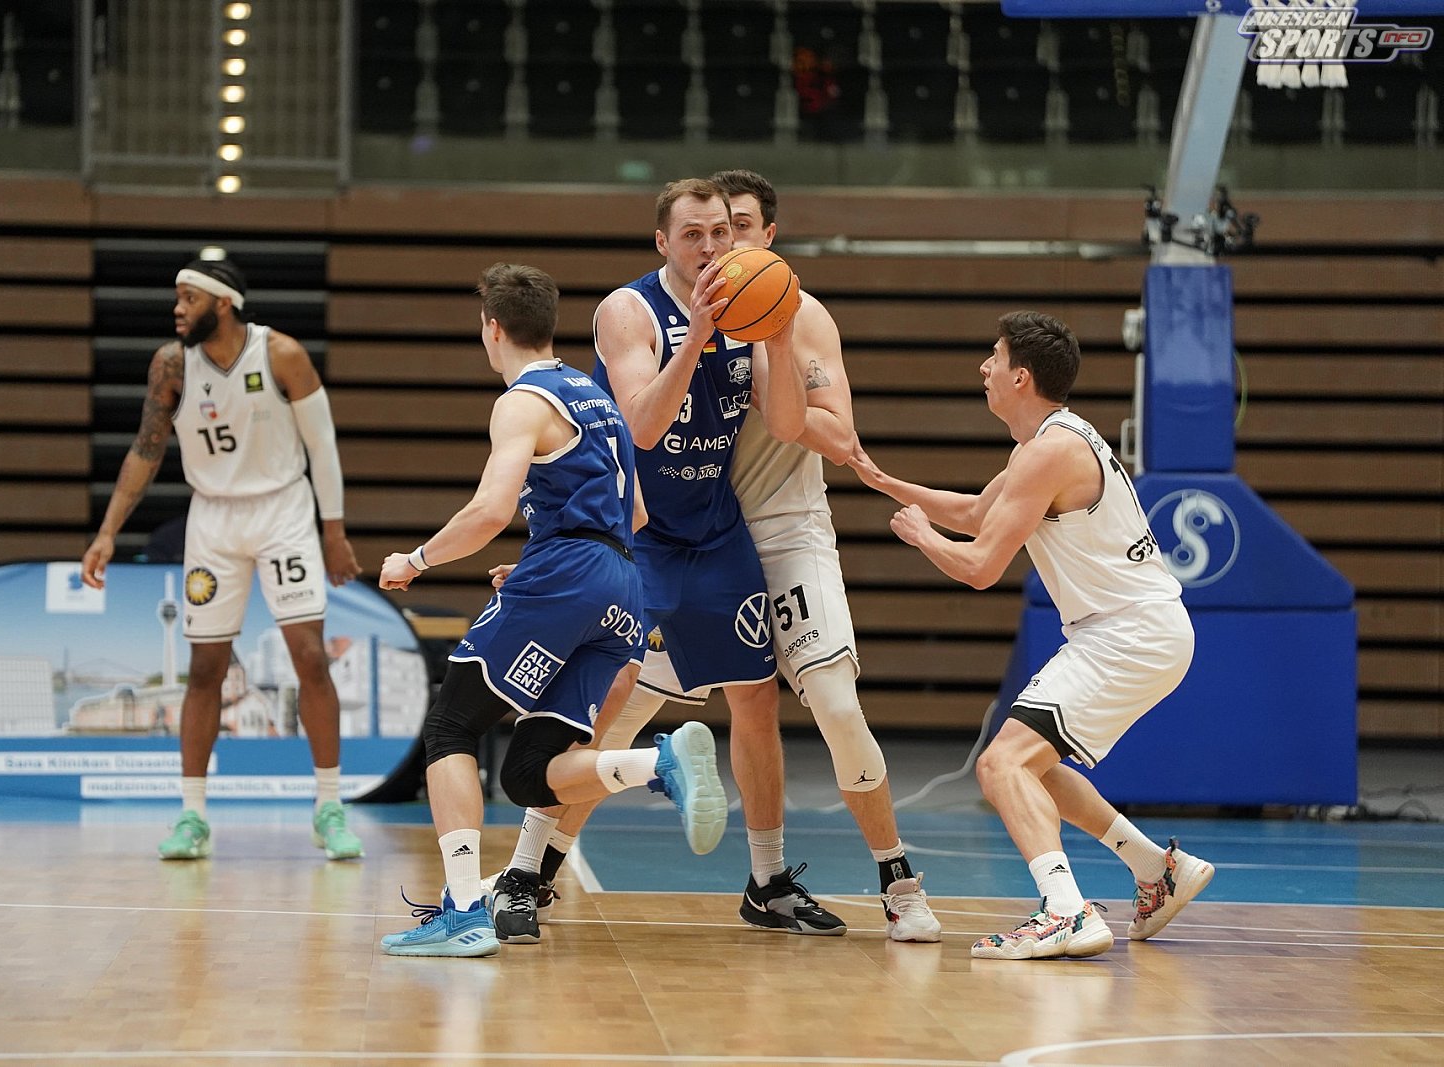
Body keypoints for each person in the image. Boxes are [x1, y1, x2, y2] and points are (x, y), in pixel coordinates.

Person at [490, 179, 848, 943]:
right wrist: (697, 337)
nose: (711, 247)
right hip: (636, 533)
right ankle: (524, 872)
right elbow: (643, 427)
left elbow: (791, 423)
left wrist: (774, 336)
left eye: (720, 231)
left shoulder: (749, 308)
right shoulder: (629, 310)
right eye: (693, 234)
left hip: (714, 531)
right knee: (604, 704)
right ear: (663, 242)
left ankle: (768, 880)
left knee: (757, 700)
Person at [376, 263, 728, 959]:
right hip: (622, 584)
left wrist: (414, 560)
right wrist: (554, 560)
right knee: (530, 770)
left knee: (450, 726)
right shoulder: (595, 397)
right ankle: (654, 762)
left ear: (493, 329)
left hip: (571, 576)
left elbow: (489, 511)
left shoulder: (522, 400)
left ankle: (463, 912)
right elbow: (636, 512)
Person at [849, 311, 1215, 960]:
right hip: (1137, 631)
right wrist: (880, 478)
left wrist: (922, 536)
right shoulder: (1045, 443)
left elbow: (980, 565)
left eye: (993, 357)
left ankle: (1066, 912)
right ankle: (1156, 869)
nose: (983, 367)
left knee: (1001, 765)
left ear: (1021, 376)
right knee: (1030, 766)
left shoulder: (1049, 452)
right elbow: (974, 512)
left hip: (1127, 633)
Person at [712, 168, 940, 943]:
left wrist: (773, 388)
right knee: (618, 698)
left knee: (837, 706)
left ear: (769, 235)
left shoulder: (800, 315)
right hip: (700, 539)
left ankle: (897, 879)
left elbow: (842, 438)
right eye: (716, 228)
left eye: (743, 225)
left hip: (786, 529)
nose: (728, 240)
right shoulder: (670, 317)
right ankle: (531, 867)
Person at [81, 257, 365, 863]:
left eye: (188, 298)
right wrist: (107, 532)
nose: (177, 309)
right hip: (212, 517)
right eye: (177, 298)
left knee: (309, 656)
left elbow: (323, 446)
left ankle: (329, 807)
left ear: (223, 303)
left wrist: (334, 530)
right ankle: (192, 815)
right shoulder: (171, 364)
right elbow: (145, 450)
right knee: (205, 667)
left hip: (283, 510)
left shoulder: (281, 354)